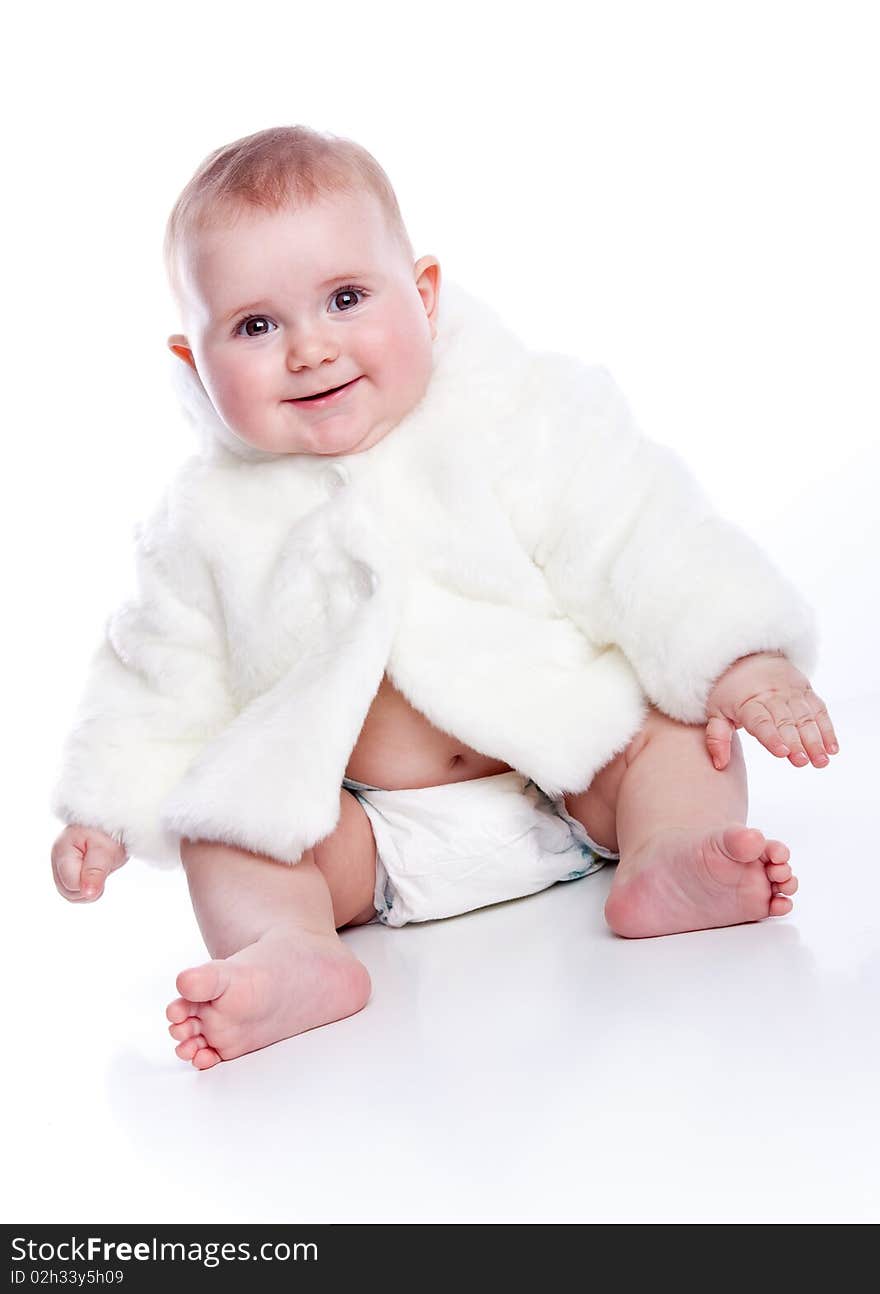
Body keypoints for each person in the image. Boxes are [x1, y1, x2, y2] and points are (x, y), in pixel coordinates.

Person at [49, 125, 839, 1070]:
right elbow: (157, 673)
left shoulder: (519, 414)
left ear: (421, 295)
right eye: (256, 326)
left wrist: (739, 656)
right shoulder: (200, 523)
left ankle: (669, 857)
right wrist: (107, 805)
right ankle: (293, 950)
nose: (309, 349)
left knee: (678, 731)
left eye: (346, 298)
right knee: (226, 832)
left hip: (567, 780)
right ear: (192, 360)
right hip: (368, 838)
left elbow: (638, 534)